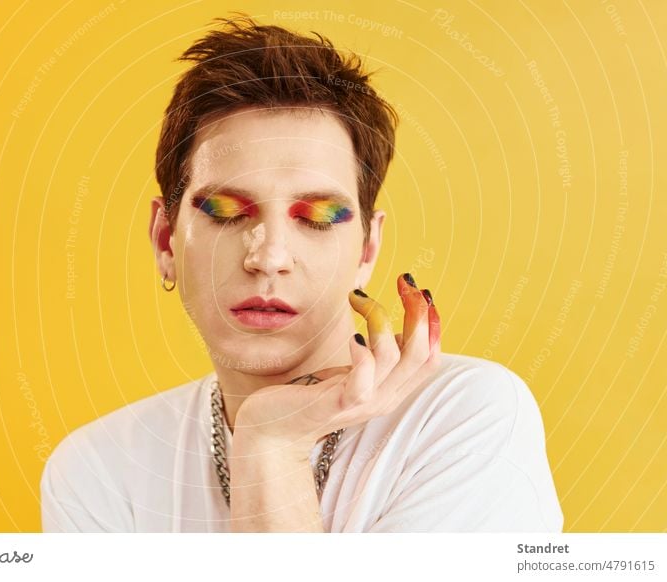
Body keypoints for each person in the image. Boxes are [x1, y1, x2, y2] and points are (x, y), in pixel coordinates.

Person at [40, 15, 563, 533]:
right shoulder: (98, 471)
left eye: (317, 218)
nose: (268, 258)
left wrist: (273, 447)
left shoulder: (465, 417)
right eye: (225, 211)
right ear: (164, 240)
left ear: (367, 247)